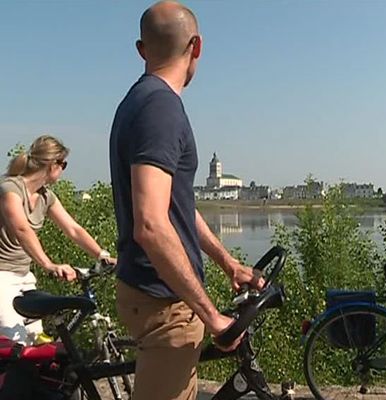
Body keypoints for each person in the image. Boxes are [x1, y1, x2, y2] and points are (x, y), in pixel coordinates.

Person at [109, 2, 263, 399]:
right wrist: (212, 316)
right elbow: (151, 224)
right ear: (197, 47)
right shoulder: (160, 108)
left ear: (141, 49)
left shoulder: (141, 102)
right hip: (163, 301)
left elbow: (177, 207)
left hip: (152, 292)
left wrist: (227, 262)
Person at [0, 135, 115, 345]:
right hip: (2, 277)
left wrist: (102, 255)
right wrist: (49, 264)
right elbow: (21, 229)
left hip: (24, 277)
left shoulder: (46, 197)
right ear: (53, 164)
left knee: (40, 342)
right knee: (14, 342)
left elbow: (73, 229)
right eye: (64, 164)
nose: (64, 169)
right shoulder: (10, 190)